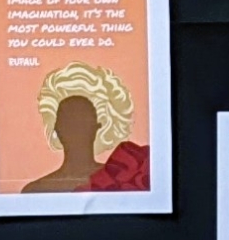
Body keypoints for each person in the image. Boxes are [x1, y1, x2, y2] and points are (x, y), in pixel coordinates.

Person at [21, 62, 148, 193]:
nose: (76, 130)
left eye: (81, 121)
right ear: (57, 129)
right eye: (69, 122)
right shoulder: (35, 190)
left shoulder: (124, 179)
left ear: (96, 127)